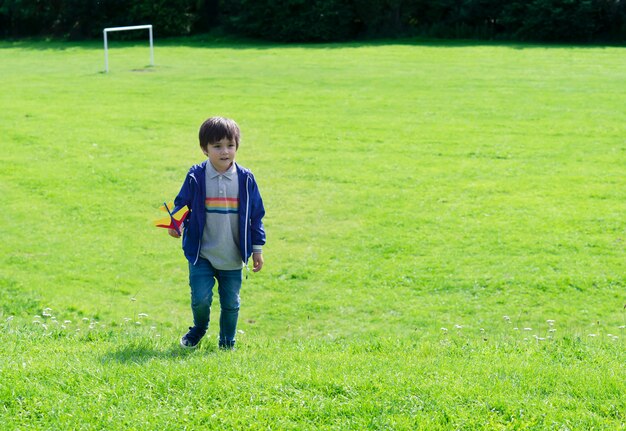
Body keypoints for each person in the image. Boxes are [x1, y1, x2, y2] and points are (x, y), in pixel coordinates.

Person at [168, 116, 266, 350]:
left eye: (230, 145)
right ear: (205, 149)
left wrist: (257, 249)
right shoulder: (196, 176)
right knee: (200, 299)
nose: (225, 152)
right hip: (201, 252)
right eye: (217, 146)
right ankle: (199, 329)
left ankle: (227, 343)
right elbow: (182, 204)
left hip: (232, 255)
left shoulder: (246, 179)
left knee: (231, 302)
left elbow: (256, 215)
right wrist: (176, 223)